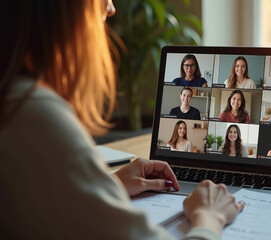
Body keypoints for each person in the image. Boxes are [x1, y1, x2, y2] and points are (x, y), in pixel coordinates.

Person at [0, 1, 244, 239]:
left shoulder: (15, 100)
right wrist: (209, 217)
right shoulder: (34, 115)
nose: (111, 7)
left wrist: (106, 186)